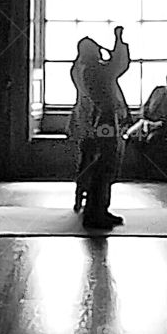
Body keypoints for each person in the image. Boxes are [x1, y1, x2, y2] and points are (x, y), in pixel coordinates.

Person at [80, 26, 131, 231]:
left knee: (107, 164)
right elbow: (117, 66)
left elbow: (114, 66)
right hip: (105, 122)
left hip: (104, 120)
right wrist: (118, 41)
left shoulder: (92, 69)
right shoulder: (94, 70)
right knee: (106, 162)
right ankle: (95, 212)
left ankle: (101, 209)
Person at [68, 37, 103, 212]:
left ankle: (80, 194)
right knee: (95, 157)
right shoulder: (91, 70)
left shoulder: (76, 67)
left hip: (80, 116)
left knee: (84, 157)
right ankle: (92, 195)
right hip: (92, 117)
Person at [123, 66, 167, 143]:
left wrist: (156, 123)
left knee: (152, 138)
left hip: (162, 127)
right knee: (130, 135)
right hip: (146, 121)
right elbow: (146, 105)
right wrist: (142, 116)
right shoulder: (158, 90)